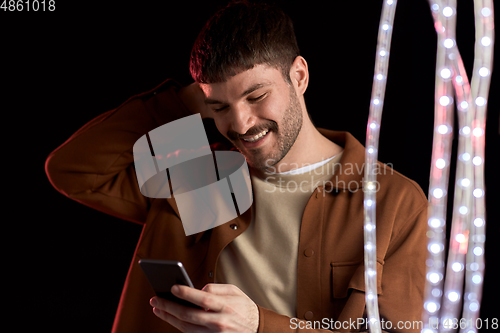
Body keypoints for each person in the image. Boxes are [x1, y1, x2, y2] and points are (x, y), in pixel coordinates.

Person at [45, 1, 428, 332]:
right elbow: (73, 170)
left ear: (299, 75)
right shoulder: (200, 172)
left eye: (256, 95)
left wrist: (260, 326)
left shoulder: (393, 200)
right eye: (220, 108)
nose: (241, 125)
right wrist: (180, 104)